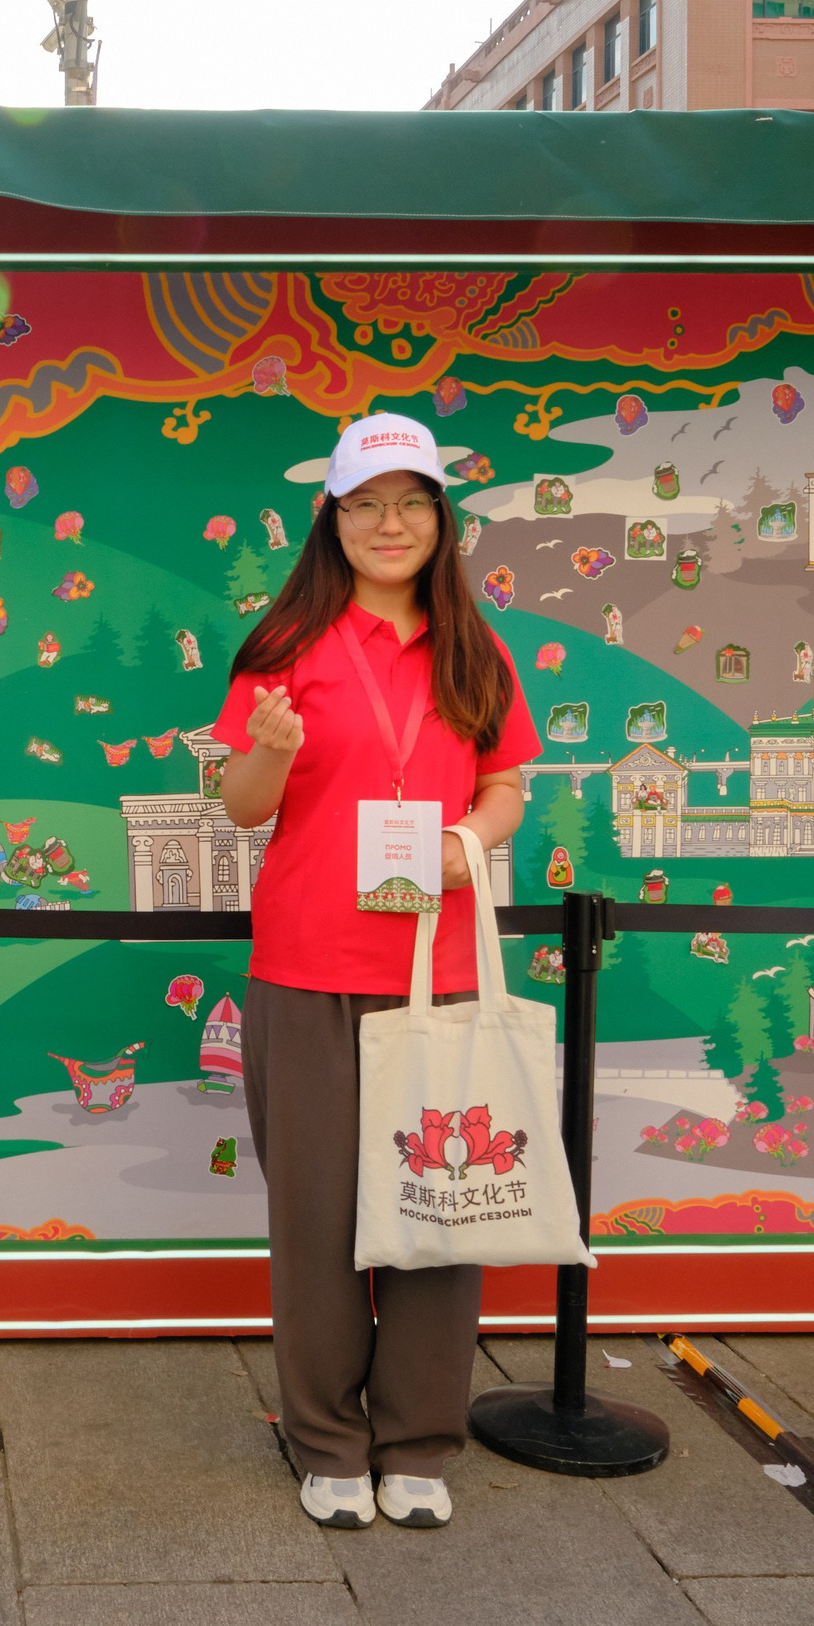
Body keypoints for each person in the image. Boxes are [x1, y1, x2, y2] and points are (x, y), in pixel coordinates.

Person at [213, 412, 539, 1532]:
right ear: (333, 520)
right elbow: (245, 808)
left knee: (438, 1216)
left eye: (409, 503)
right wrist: (270, 748)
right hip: (304, 969)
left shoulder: (474, 649)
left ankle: (417, 1441)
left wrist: (468, 844)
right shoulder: (282, 648)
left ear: (441, 520)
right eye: (364, 504)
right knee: (315, 1222)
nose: (387, 524)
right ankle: (327, 1443)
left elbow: (506, 785)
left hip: (435, 970)